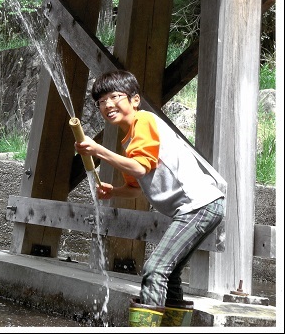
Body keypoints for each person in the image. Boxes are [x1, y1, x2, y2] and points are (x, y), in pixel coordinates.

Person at [74, 69, 225, 327]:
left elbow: (140, 168)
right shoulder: (129, 138)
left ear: (134, 99)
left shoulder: (144, 121)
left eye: (115, 96)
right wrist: (115, 191)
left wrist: (99, 150)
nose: (107, 104)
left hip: (199, 205)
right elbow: (136, 185)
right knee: (171, 272)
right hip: (200, 207)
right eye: (101, 101)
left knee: (155, 269)